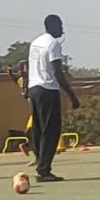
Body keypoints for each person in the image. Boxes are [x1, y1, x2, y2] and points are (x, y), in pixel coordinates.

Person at [27, 15, 80, 182]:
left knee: (38, 129)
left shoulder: (35, 42)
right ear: (53, 26)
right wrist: (72, 96)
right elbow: (57, 72)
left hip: (34, 88)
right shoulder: (53, 44)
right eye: (60, 26)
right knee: (50, 130)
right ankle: (44, 170)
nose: (62, 29)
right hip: (48, 89)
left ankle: (39, 161)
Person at [7, 62, 35, 162]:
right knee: (30, 130)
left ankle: (29, 146)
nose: (22, 71)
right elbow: (13, 77)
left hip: (36, 106)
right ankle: (28, 146)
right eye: (21, 69)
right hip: (35, 107)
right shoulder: (22, 80)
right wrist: (10, 71)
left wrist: (10, 71)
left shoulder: (31, 79)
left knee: (32, 130)